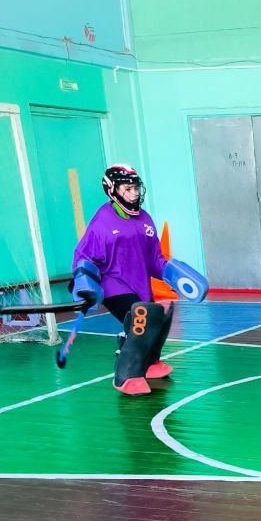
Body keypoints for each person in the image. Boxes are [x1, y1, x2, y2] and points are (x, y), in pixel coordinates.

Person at [72, 164, 208, 395]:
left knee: (163, 313)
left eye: (135, 187)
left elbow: (154, 257)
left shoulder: (144, 219)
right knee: (142, 317)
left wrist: (173, 274)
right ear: (112, 191)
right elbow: (83, 257)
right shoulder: (102, 222)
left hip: (139, 283)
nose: (134, 193)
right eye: (128, 189)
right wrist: (84, 283)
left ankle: (150, 363)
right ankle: (126, 376)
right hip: (113, 284)